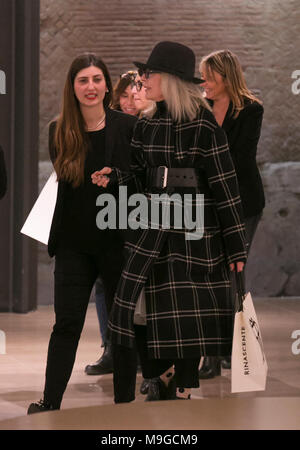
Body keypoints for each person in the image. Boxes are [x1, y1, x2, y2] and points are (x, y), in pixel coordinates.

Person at [92, 41, 247, 403]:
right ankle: (158, 378)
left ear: (171, 80)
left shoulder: (204, 125)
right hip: (151, 230)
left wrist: (236, 246)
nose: (142, 80)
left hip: (193, 232)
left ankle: (180, 386)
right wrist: (114, 176)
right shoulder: (149, 124)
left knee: (186, 317)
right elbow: (137, 174)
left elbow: (226, 187)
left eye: (150, 74)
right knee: (139, 310)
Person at [27, 53, 137, 413]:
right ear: (72, 88)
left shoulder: (126, 127)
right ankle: (50, 401)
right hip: (73, 243)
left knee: (122, 325)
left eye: (96, 79)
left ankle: (125, 401)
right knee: (66, 324)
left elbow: (139, 182)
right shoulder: (58, 131)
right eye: (82, 80)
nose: (90, 87)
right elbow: (66, 188)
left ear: (107, 84)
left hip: (115, 241)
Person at [198, 49, 265, 379]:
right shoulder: (202, 109)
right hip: (210, 204)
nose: (204, 82)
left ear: (225, 76)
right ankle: (212, 355)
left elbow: (237, 157)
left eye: (209, 76)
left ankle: (239, 354)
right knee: (213, 277)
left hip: (243, 203)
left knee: (233, 274)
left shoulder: (251, 109)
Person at [84, 70, 144, 376]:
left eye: (136, 92)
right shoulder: (104, 124)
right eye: (124, 93)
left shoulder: (146, 127)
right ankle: (110, 346)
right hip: (106, 209)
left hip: (138, 211)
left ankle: (136, 351)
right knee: (103, 282)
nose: (130, 99)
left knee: (133, 282)